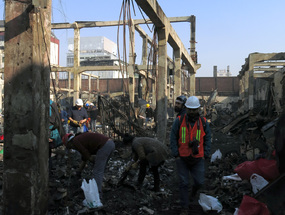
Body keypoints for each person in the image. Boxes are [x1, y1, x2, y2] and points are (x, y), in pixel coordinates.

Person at [170, 96, 211, 214]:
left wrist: (206, 153)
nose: (192, 112)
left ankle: (193, 193)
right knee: (183, 183)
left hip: (198, 158)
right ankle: (184, 207)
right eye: (190, 109)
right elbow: (173, 137)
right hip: (182, 158)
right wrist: (175, 154)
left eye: (194, 110)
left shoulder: (203, 122)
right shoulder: (179, 120)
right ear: (186, 109)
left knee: (199, 182)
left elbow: (208, 138)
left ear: (198, 109)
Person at [62, 132, 115, 199]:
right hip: (110, 144)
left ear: (69, 143)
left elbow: (86, 154)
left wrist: (90, 159)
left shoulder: (75, 141)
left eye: (69, 147)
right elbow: (85, 158)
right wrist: (79, 171)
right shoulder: (80, 139)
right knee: (100, 169)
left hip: (105, 146)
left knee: (97, 172)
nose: (72, 148)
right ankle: (101, 186)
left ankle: (97, 195)